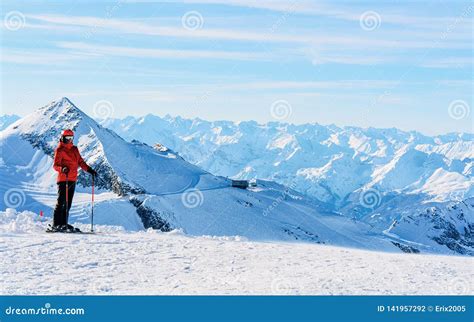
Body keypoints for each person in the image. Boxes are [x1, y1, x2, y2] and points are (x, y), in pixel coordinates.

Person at [49, 129, 97, 232]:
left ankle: (64, 223)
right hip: (63, 179)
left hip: (72, 179)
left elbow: (80, 161)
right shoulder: (60, 150)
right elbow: (55, 165)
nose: (69, 140)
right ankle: (56, 224)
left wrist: (89, 170)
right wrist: (63, 169)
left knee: (68, 203)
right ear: (63, 138)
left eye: (71, 138)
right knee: (61, 201)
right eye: (67, 138)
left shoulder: (74, 149)